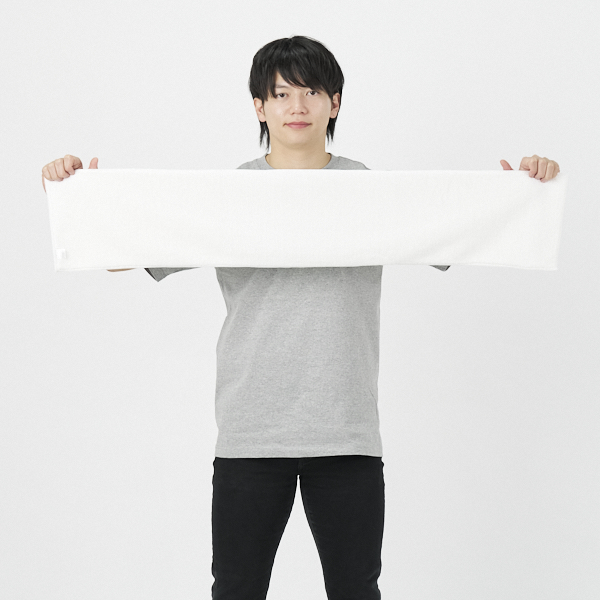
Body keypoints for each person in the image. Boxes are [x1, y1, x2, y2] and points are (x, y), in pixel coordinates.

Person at [41, 35, 559, 600]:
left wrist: (521, 189)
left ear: (334, 103)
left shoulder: (369, 189)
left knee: (355, 590)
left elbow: (461, 232)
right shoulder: (226, 194)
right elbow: (130, 254)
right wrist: (79, 194)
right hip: (250, 433)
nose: (297, 106)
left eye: (311, 92)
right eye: (281, 93)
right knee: (236, 589)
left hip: (346, 432)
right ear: (259, 107)